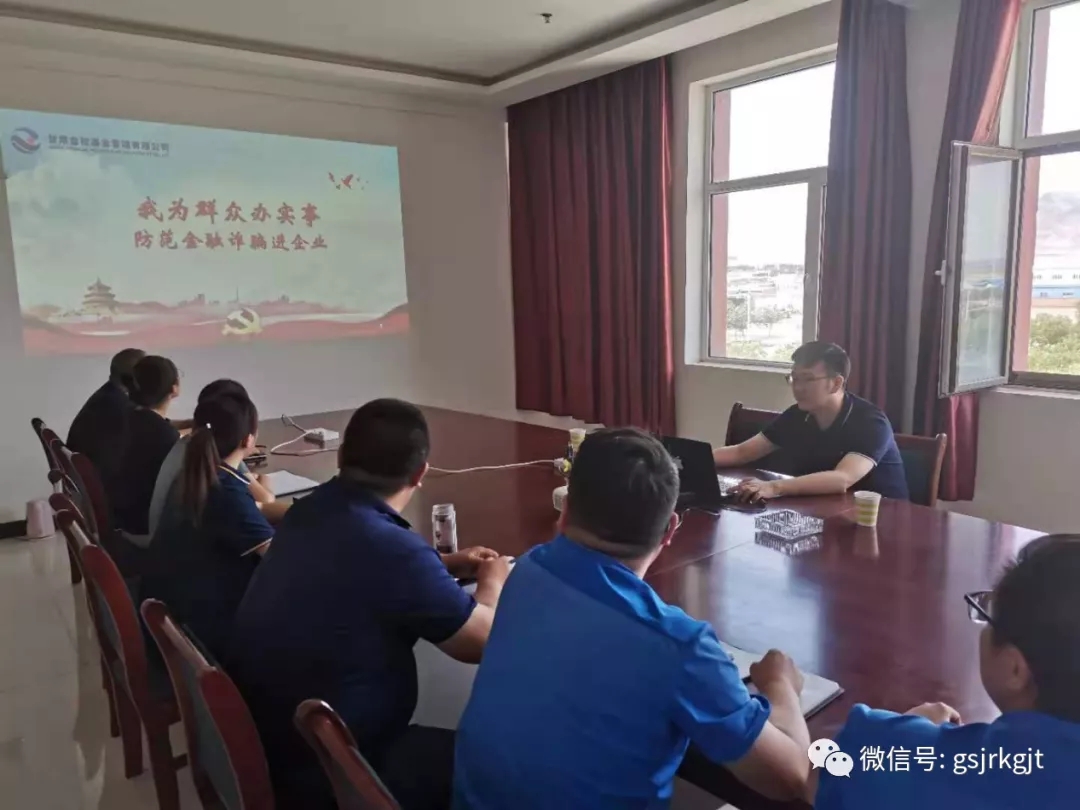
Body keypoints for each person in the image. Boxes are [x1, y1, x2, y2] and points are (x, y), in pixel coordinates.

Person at [453, 428, 812, 810]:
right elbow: (792, 777)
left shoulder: (527, 569)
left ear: (566, 510)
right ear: (671, 528)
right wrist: (780, 684)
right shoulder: (678, 646)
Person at [229, 398, 510, 810]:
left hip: (272, 733)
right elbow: (480, 641)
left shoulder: (310, 509)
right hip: (336, 767)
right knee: (502, 764)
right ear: (421, 473)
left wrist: (440, 563)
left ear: (341, 456)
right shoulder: (393, 551)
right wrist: (493, 579)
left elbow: (361, 561)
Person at [813, 535, 1080, 809]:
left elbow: (819, 775)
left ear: (1015, 670)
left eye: (988, 615)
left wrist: (908, 732)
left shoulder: (876, 749)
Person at [139, 394, 273, 660]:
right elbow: (280, 560)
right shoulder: (227, 492)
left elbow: (249, 514)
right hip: (199, 640)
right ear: (249, 440)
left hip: (171, 619)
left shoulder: (197, 475)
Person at [713, 342, 909, 502]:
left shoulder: (871, 421)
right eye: (794, 378)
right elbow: (742, 452)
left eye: (807, 379)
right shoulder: (798, 414)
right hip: (824, 509)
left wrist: (774, 487)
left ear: (836, 383)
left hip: (882, 517)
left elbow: (842, 479)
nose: (798, 388)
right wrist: (695, 461)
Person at [147, 379, 279, 538]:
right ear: (248, 439)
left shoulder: (193, 448)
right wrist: (265, 479)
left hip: (159, 543)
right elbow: (264, 502)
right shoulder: (224, 470)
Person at [111, 355, 182, 540]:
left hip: (125, 519)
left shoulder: (130, 417)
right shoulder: (164, 435)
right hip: (149, 529)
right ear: (174, 388)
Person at [66, 347, 145, 488]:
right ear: (132, 379)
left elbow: (150, 423)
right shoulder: (116, 404)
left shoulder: (109, 395)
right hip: (102, 484)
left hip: (86, 479)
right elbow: (151, 432)